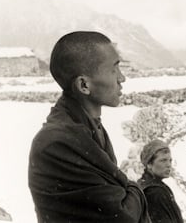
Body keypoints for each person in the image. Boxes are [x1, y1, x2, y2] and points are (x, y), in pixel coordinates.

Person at [28, 31, 150, 223]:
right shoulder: (56, 143)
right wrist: (133, 188)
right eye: (114, 69)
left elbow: (120, 197)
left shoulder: (90, 127)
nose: (122, 78)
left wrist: (128, 190)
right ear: (84, 85)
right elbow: (123, 216)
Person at [137, 140, 184, 223]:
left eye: (170, 160)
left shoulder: (143, 184)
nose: (169, 165)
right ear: (149, 164)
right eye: (163, 160)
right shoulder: (155, 191)